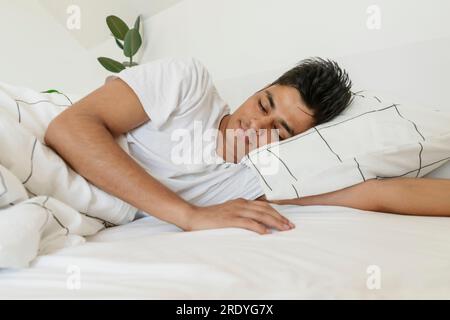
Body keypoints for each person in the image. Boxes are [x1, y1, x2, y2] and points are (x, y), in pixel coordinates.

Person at [44, 57, 449, 236]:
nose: (255, 124)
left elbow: (378, 193)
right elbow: (68, 127)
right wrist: (188, 215)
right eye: (264, 103)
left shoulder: (263, 179)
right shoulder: (189, 84)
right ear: (260, 89)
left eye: (281, 130)